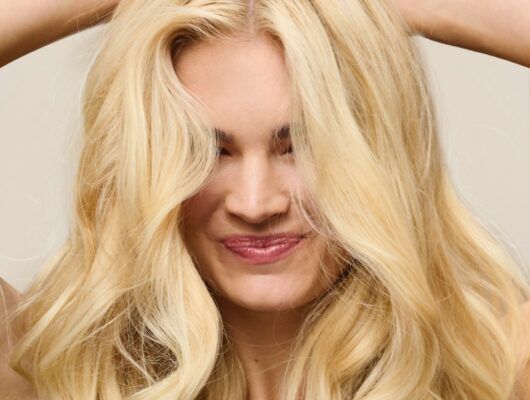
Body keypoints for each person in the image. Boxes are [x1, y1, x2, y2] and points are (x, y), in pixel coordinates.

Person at [1, 1, 529, 399]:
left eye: (300, 146)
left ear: (377, 153)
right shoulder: (48, 365)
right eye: (207, 150)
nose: (255, 205)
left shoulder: (498, 365)